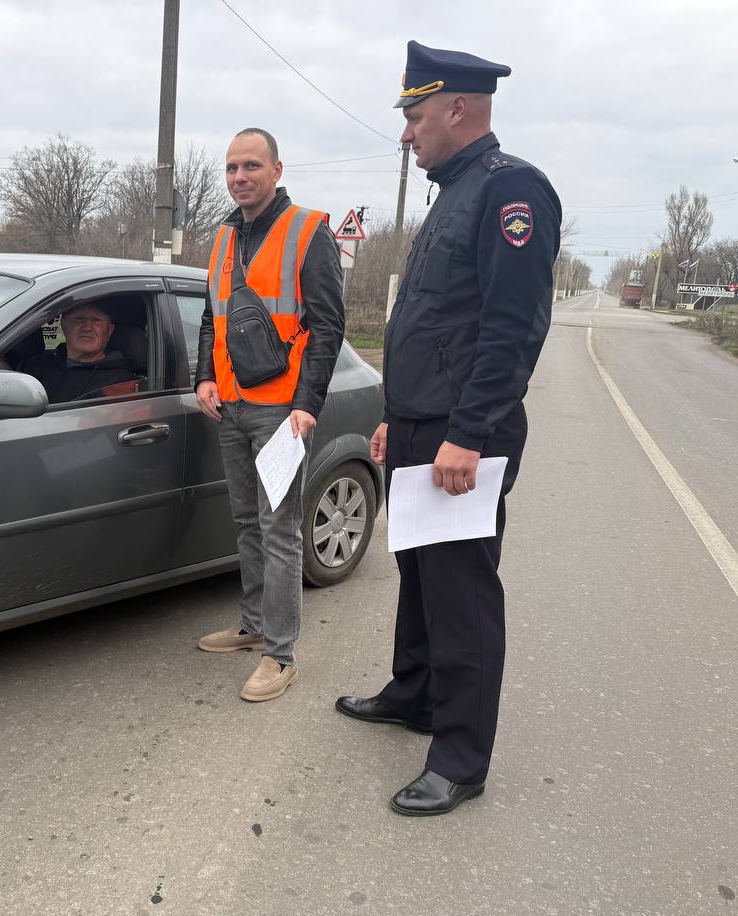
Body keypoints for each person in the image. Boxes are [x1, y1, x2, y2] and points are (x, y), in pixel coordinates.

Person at [334, 42, 561, 816]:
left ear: (458, 110)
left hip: (467, 434)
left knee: (460, 590)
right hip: (423, 428)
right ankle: (416, 695)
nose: (407, 133)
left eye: (415, 116)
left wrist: (466, 432)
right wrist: (399, 423)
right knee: (419, 574)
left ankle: (461, 757)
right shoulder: (453, 193)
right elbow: (434, 325)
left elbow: (511, 329)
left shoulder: (510, 192)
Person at [194, 127, 345, 703]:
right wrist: (203, 377)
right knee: (244, 522)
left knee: (278, 532)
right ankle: (253, 625)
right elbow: (214, 318)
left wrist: (307, 404)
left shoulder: (308, 232)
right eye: (232, 168)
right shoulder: (224, 237)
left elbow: (327, 326)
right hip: (230, 407)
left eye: (251, 166)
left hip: (282, 413)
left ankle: (280, 656)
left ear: (277, 170)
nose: (240, 177)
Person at [16, 302, 139, 403]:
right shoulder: (36, 364)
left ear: (109, 331)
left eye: (96, 320)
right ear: (63, 326)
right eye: (79, 319)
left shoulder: (121, 383)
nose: (87, 328)